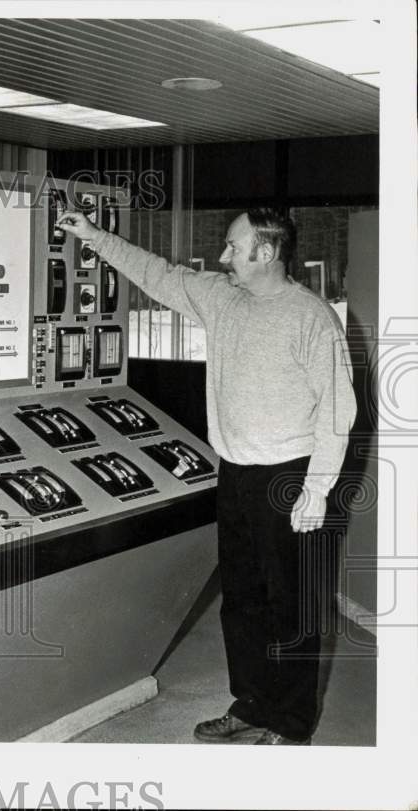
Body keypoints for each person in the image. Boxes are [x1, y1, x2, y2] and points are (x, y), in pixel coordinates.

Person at [57, 206, 356, 745]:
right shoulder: (222, 298)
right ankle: (251, 704)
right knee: (241, 601)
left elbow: (337, 411)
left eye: (234, 248)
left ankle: (291, 725)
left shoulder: (312, 318)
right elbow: (159, 275)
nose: (224, 257)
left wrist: (317, 489)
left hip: (289, 476)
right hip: (235, 471)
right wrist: (95, 237)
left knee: (290, 604)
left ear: (266, 254)